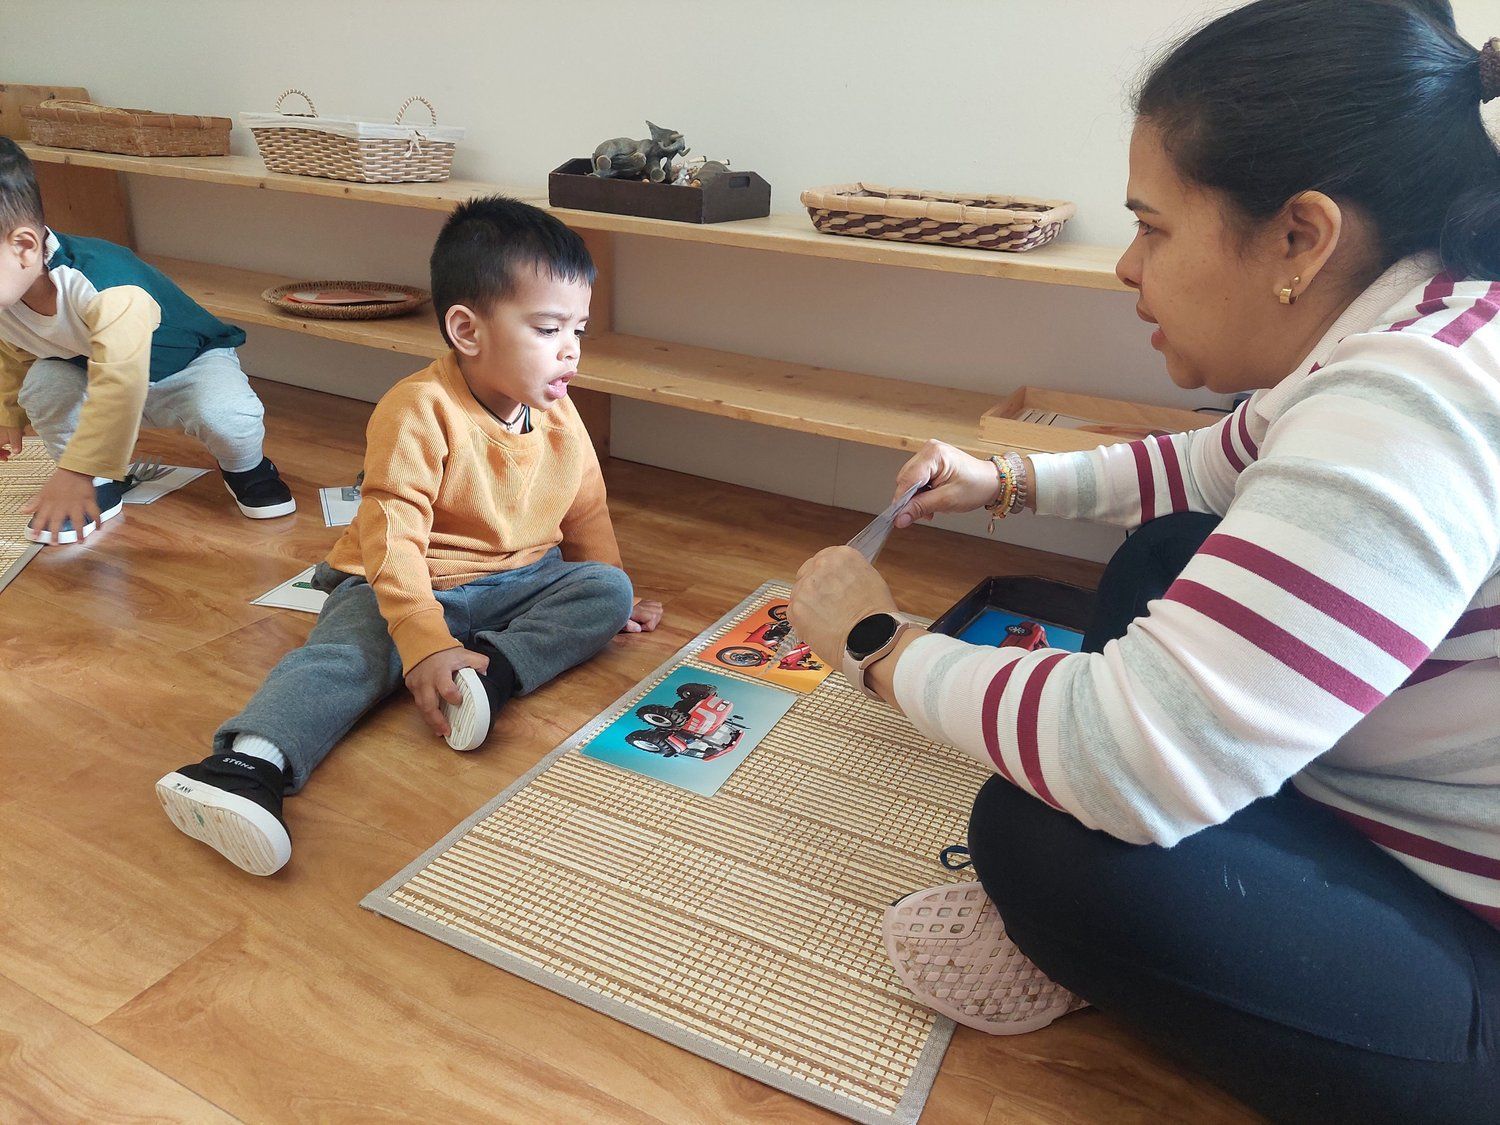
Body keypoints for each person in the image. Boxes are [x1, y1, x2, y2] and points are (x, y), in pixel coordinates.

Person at [789, 2, 1500, 1119]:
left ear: (1300, 238)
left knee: (1036, 840)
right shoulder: (1419, 320)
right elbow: (1211, 467)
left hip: (1475, 951)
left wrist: (877, 646)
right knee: (1170, 552)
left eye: (1154, 228)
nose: (1128, 266)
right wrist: (1003, 479)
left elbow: (1126, 755)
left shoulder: (1411, 404)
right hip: (1388, 792)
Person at [157, 196, 664, 877]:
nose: (570, 348)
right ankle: (245, 765)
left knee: (605, 589)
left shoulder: (560, 413)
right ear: (467, 329)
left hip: (515, 581)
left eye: (579, 328)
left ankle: (490, 677)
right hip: (402, 579)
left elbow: (587, 514)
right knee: (349, 656)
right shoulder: (417, 410)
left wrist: (613, 594)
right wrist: (423, 637)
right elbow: (390, 539)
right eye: (548, 328)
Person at [0, 138, 294, 544]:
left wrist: (76, 470)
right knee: (43, 386)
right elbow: (13, 347)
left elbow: (121, 381)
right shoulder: (8, 290)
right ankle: (100, 485)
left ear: (24, 247)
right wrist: (8, 413)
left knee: (228, 418)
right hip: (85, 364)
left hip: (186, 363)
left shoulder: (106, 289)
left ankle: (247, 467)